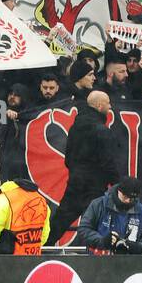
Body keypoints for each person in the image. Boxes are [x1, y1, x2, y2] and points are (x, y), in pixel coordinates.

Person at [49, 90, 120, 244]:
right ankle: (93, 261)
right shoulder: (102, 131)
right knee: (98, 226)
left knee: (59, 222)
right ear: (100, 106)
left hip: (75, 182)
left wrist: (77, 172)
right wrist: (118, 183)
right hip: (94, 186)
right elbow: (108, 162)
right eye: (108, 103)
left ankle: (38, 250)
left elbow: (68, 158)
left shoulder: (75, 127)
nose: (110, 106)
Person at [76, 177, 142, 255]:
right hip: (99, 261)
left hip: (131, 262)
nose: (128, 201)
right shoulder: (98, 205)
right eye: (125, 197)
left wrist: (136, 247)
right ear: (119, 191)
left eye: (132, 198)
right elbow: (83, 230)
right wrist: (102, 241)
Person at [0, 174, 51, 255]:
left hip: (7, 261)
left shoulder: (3, 200)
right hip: (33, 260)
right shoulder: (42, 202)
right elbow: (44, 235)